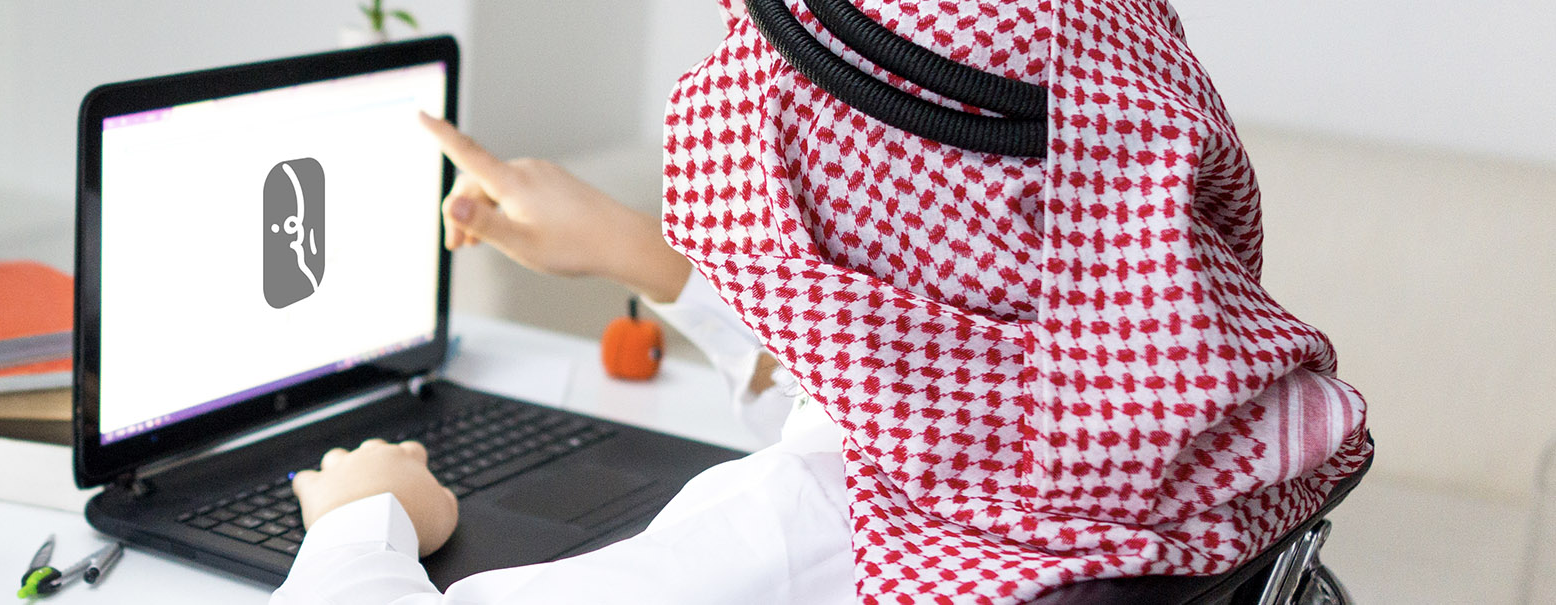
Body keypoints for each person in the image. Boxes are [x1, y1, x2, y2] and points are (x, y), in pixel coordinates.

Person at [272, 1, 1372, 603]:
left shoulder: (795, 539)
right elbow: (904, 408)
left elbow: (827, 482)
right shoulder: (1149, 463)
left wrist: (364, 516)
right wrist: (642, 256)